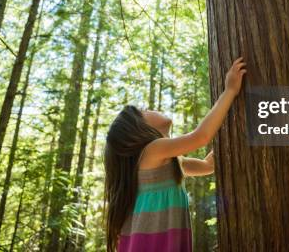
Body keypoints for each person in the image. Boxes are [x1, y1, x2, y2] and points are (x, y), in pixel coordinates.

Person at [104, 57, 247, 252]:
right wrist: (230, 90)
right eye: (144, 111)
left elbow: (208, 166)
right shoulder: (151, 150)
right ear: (137, 129)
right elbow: (200, 137)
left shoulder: (169, 162)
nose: (151, 109)